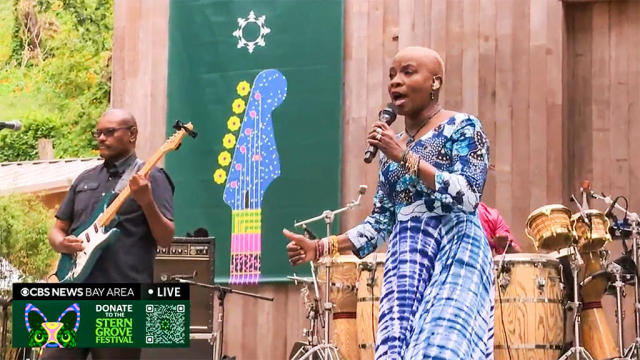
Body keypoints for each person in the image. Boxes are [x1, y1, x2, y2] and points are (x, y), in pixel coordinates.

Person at [284, 46, 493, 359]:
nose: (395, 81)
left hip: (454, 247)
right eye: (392, 75)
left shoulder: (463, 126)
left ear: (435, 82)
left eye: (408, 72)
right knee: (395, 351)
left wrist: (405, 157)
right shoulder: (392, 151)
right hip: (406, 255)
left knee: (442, 346)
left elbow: (468, 195)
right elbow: (381, 223)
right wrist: (321, 248)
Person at [43, 108, 175, 360]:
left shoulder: (153, 178)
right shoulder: (84, 179)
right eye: (98, 133)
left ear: (132, 134)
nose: (101, 138)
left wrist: (146, 201)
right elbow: (57, 230)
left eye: (110, 132)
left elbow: (166, 237)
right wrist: (63, 243)